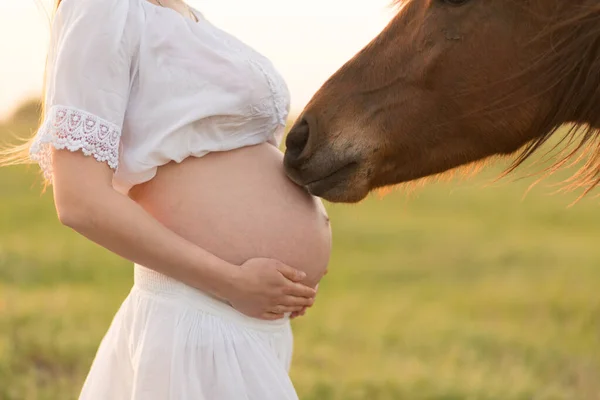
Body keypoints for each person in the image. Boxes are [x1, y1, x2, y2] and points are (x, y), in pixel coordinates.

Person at [0, 0, 332, 398]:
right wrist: (231, 282)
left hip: (243, 323)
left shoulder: (187, 16)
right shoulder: (102, 7)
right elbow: (79, 200)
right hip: (196, 316)